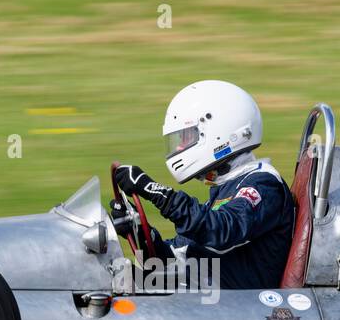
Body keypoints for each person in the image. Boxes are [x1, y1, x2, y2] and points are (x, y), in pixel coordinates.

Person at [113, 80, 294, 290]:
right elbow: (180, 253)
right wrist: (142, 233)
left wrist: (155, 191)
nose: (180, 146)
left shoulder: (263, 185)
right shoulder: (226, 187)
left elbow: (221, 230)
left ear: (222, 131)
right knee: (113, 280)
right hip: (210, 291)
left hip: (239, 306)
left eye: (186, 137)